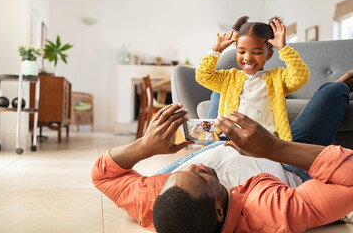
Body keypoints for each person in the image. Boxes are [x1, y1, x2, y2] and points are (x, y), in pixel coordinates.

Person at [91, 72, 352, 232]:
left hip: (218, 145)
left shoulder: (154, 204)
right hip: (285, 165)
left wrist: (145, 146)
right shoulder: (274, 214)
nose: (195, 167)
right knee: (332, 92)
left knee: (224, 84)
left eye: (185, 171)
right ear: (219, 211)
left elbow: (101, 176)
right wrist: (275, 148)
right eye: (202, 177)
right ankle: (339, 86)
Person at [195, 16, 310, 141]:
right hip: (231, 141)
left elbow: (300, 77)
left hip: (266, 143)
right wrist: (216, 50)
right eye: (241, 52)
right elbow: (202, 76)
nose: (248, 58)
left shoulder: (277, 78)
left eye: (256, 53)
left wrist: (283, 49)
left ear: (269, 55)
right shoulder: (229, 78)